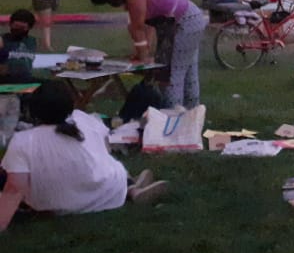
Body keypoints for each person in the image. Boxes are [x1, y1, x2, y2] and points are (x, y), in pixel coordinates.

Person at [0, 81, 168, 232]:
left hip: (53, 205)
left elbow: (14, 190)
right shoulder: (83, 119)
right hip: (104, 192)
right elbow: (104, 149)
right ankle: (132, 188)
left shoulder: (22, 142)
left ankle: (132, 187)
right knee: (107, 163)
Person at [88, 0, 207, 108]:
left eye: (109, 1)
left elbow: (137, 28)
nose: (113, 5)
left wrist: (143, 57)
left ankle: (172, 119)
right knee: (188, 71)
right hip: (188, 17)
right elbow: (148, 25)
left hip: (184, 23)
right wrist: (143, 52)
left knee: (170, 77)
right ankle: (192, 116)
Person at [1, 9, 38, 81]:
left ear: (29, 28)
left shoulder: (31, 41)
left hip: (26, 81)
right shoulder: (2, 40)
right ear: (10, 24)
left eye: (22, 28)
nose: (18, 30)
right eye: (16, 26)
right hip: (5, 81)